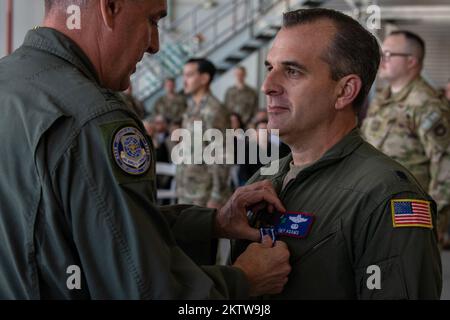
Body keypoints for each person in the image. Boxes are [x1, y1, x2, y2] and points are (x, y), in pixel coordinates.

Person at [0, 0, 291, 299]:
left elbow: (88, 227)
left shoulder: (10, 84)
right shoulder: (94, 119)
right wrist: (245, 280)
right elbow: (145, 288)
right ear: (109, 7)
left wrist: (212, 222)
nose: (155, 45)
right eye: (152, 20)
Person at [232, 8, 442, 299]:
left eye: (292, 71)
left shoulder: (387, 197)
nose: (267, 86)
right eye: (270, 68)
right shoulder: (266, 176)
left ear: (344, 92)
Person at [361, 30, 450, 244]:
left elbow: (446, 165)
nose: (382, 60)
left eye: (389, 54)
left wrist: (436, 220)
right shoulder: (383, 98)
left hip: (410, 213)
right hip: (374, 206)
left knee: (406, 276)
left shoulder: (426, 104)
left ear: (411, 61)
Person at [176, 58, 231, 209]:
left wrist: (216, 196)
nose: (184, 81)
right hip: (187, 189)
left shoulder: (214, 110)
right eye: (184, 75)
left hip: (204, 196)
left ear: (204, 79)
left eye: (189, 75)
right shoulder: (191, 107)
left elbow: (222, 155)